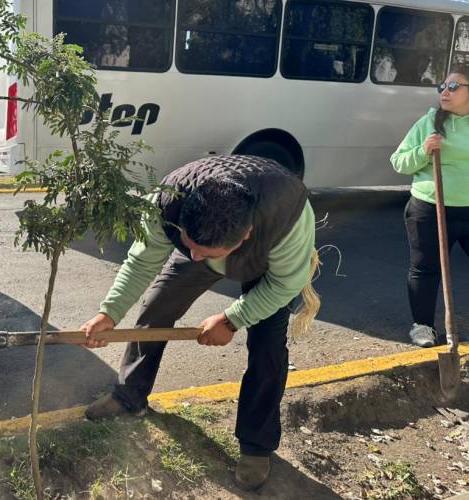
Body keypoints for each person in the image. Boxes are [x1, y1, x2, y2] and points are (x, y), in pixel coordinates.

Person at [80, 155, 318, 491]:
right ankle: (129, 396)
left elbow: (284, 285)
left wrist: (233, 319)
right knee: (156, 308)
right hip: (210, 236)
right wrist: (110, 312)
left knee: (268, 348)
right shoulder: (168, 203)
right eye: (191, 247)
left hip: (269, 269)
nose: (195, 258)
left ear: (245, 234)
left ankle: (256, 445)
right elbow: (141, 262)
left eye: (206, 253)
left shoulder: (288, 218)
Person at [390, 67, 469, 348]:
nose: (444, 92)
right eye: (442, 86)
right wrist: (423, 150)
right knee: (426, 268)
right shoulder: (429, 122)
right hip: (430, 207)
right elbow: (399, 162)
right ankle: (423, 326)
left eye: (454, 86)